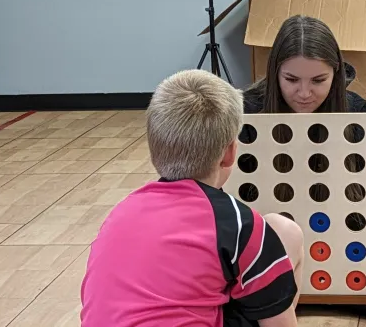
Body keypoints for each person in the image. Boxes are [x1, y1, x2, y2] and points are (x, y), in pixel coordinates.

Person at [238, 15, 366, 319]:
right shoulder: (245, 111)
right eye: (291, 80)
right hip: (269, 239)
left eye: (318, 81)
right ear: (274, 73)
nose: (305, 93)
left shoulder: (357, 112)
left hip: (339, 236)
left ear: (336, 73)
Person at [80, 69, 305, 327]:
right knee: (285, 231)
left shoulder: (119, 213)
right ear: (230, 152)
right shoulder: (238, 223)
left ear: (154, 149)